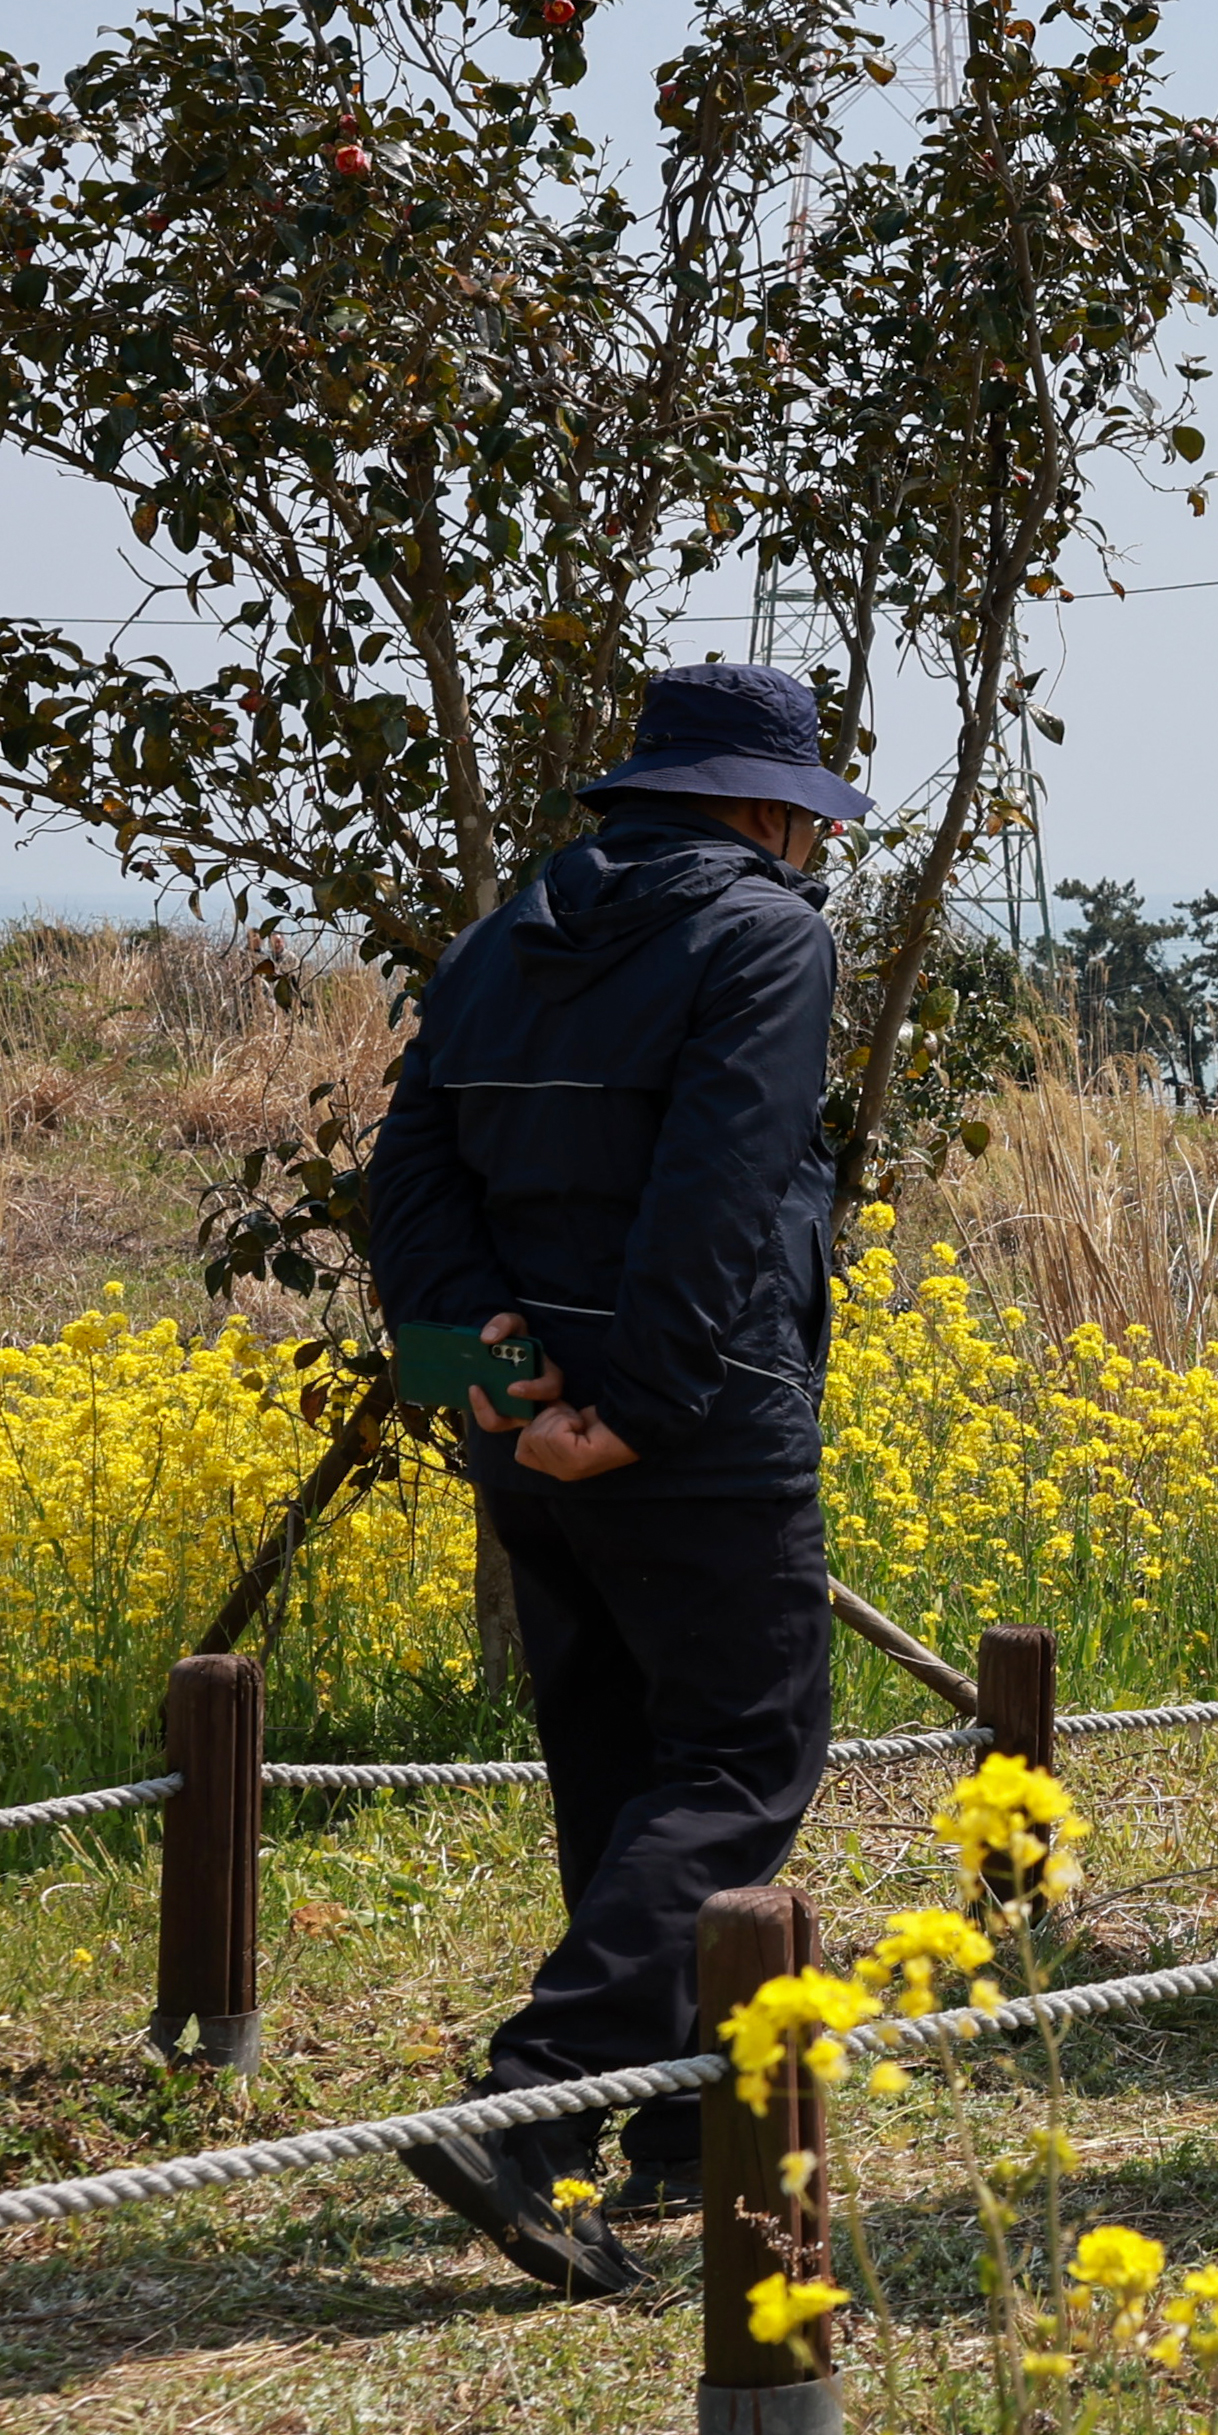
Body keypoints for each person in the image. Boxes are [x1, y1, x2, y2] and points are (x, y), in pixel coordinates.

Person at [365, 660, 870, 2299]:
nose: (810, 850)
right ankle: (529, 2112)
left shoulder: (503, 937)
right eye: (808, 822)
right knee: (739, 1756)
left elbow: (412, 1176)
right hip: (695, 1424)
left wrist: (490, 1386)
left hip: (528, 1432)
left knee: (621, 1768)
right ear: (768, 809)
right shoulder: (767, 937)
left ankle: (662, 2123)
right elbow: (722, 1188)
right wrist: (640, 1406)